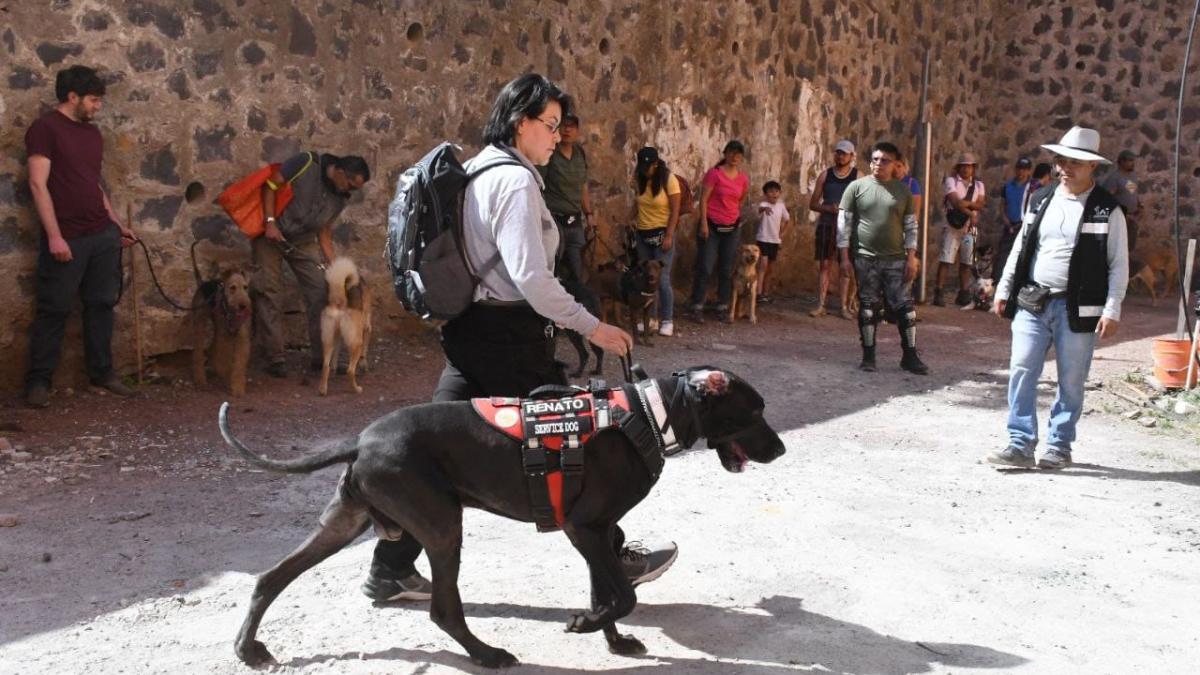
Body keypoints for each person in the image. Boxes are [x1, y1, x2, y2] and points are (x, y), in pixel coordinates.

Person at [365, 73, 677, 602]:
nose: (557, 137)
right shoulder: (514, 180)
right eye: (550, 126)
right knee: (575, 443)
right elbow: (531, 278)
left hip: (469, 328)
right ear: (519, 122)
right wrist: (593, 327)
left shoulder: (476, 170)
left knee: (436, 445)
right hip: (509, 336)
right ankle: (615, 561)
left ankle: (390, 566)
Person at [989, 126, 1129, 470]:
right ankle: (1020, 443)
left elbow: (1118, 264)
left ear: (1092, 167)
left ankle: (1059, 445)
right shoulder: (1041, 199)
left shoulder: (1107, 210)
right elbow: (1022, 246)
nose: (1065, 167)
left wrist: (1112, 309)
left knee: (1071, 379)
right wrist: (1004, 288)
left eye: (1075, 162)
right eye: (1062, 160)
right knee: (1022, 369)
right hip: (1033, 301)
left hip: (1078, 308)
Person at [24, 65, 138, 408]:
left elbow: (94, 184)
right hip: (67, 235)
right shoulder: (45, 129)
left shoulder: (92, 135)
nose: (97, 106)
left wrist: (116, 224)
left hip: (100, 234)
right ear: (71, 96)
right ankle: (39, 381)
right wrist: (55, 237)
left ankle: (102, 373)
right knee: (54, 308)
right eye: (93, 100)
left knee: (102, 304)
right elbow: (37, 184)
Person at [254, 151, 370, 377]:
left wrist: (334, 267)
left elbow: (324, 232)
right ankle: (274, 357)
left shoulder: (339, 198)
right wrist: (270, 222)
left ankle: (322, 358)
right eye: (351, 185)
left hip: (302, 240)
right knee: (269, 291)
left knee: (319, 291)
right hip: (270, 235)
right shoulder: (304, 163)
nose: (351, 191)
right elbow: (270, 185)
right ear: (339, 172)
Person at [836, 142, 929, 375]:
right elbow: (843, 225)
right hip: (865, 258)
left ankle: (909, 356)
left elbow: (911, 227)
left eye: (885, 160)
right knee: (868, 307)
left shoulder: (903, 192)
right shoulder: (855, 188)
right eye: (875, 159)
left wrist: (911, 258)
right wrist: (844, 258)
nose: (879, 164)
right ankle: (868, 356)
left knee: (905, 309)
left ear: (895, 164)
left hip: (896, 259)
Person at [687, 140, 750, 323]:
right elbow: (704, 199)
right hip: (712, 227)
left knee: (726, 268)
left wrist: (734, 218)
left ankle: (722, 305)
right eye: (731, 153)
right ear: (725, 153)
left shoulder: (743, 178)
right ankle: (697, 304)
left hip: (731, 228)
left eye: (738, 154)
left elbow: (740, 200)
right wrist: (704, 224)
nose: (734, 157)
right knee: (705, 266)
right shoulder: (714, 174)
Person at [538, 112, 593, 284]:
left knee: (578, 271)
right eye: (564, 126)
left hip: (575, 222)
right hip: (554, 221)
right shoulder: (550, 154)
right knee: (552, 270)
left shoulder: (579, 153)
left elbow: (582, 186)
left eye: (572, 126)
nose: (567, 130)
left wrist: (589, 215)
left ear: (577, 131)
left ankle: (577, 306)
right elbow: (538, 186)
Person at [631, 146, 681, 336]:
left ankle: (667, 319)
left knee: (662, 278)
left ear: (656, 164)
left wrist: (669, 234)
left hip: (662, 233)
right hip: (643, 233)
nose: (645, 170)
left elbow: (675, 210)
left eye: (649, 166)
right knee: (645, 277)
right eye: (642, 167)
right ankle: (650, 318)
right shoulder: (640, 179)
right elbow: (638, 203)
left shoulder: (669, 180)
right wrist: (631, 219)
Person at [808, 139, 857, 319]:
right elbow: (813, 203)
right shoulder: (825, 175)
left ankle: (844, 306)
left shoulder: (858, 176)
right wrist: (828, 208)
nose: (840, 156)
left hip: (848, 227)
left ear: (851, 156)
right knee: (825, 264)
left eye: (844, 153)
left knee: (846, 266)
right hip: (827, 224)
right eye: (838, 153)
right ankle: (821, 304)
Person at [934, 153, 986, 307]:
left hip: (969, 227)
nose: (966, 169)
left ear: (973, 168)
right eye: (963, 166)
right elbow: (955, 202)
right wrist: (971, 210)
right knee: (946, 259)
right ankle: (939, 291)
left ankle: (963, 292)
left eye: (969, 166)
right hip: (952, 225)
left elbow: (981, 204)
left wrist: (966, 205)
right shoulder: (951, 181)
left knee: (967, 261)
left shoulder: (978, 185)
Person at [995, 157, 1034, 287]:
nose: (1021, 172)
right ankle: (998, 282)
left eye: (1025, 169)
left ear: (1029, 171)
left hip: (1025, 226)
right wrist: (1007, 222)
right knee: (1003, 255)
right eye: (1019, 169)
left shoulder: (1033, 188)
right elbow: (1002, 206)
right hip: (1010, 226)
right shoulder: (1008, 186)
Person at [754, 181, 790, 304]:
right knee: (762, 266)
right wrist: (764, 209)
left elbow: (787, 220)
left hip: (775, 241)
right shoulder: (763, 204)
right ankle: (757, 293)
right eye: (770, 191)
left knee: (770, 269)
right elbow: (758, 210)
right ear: (765, 194)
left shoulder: (781, 206)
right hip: (763, 239)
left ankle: (765, 293)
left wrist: (782, 233)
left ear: (779, 193)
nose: (773, 194)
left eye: (776, 191)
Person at [1099, 149, 1139, 252]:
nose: (1132, 163)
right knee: (1119, 247)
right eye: (1130, 160)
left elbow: (1132, 192)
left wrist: (1140, 205)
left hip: (1133, 217)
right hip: (1121, 218)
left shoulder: (1132, 176)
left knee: (1129, 247)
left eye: (1133, 160)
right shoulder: (1115, 178)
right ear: (1121, 162)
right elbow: (1107, 199)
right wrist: (1122, 214)